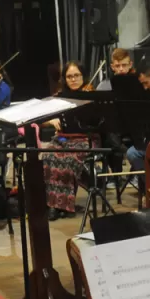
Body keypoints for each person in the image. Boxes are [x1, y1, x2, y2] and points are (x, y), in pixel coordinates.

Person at [42, 61, 94, 218]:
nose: (73, 79)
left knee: (68, 161)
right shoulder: (60, 96)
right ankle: (52, 204)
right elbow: (42, 118)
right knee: (48, 156)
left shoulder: (91, 95)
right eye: (69, 76)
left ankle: (62, 206)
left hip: (85, 139)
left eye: (77, 75)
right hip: (63, 138)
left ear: (83, 76)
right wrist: (51, 121)